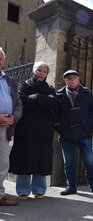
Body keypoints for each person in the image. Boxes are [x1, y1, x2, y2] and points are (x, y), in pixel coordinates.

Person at [9, 61, 58, 200]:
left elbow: (54, 104)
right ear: (33, 70)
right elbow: (23, 102)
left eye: (44, 71)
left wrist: (36, 97)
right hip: (27, 129)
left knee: (41, 159)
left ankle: (39, 190)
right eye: (39, 70)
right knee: (25, 158)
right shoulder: (24, 85)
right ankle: (23, 190)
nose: (42, 73)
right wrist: (44, 101)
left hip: (44, 130)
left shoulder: (50, 88)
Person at [54, 70, 93, 196]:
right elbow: (54, 114)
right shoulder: (59, 95)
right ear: (65, 80)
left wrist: (88, 124)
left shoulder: (86, 93)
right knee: (69, 163)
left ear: (78, 79)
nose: (72, 80)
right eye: (69, 78)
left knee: (90, 161)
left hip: (84, 133)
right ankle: (71, 187)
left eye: (74, 78)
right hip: (66, 134)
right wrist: (60, 127)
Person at [0, 47, 23, 206]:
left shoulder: (10, 80)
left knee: (3, 163)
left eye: (0, 58)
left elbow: (19, 104)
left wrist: (14, 118)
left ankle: (0, 195)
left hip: (7, 128)